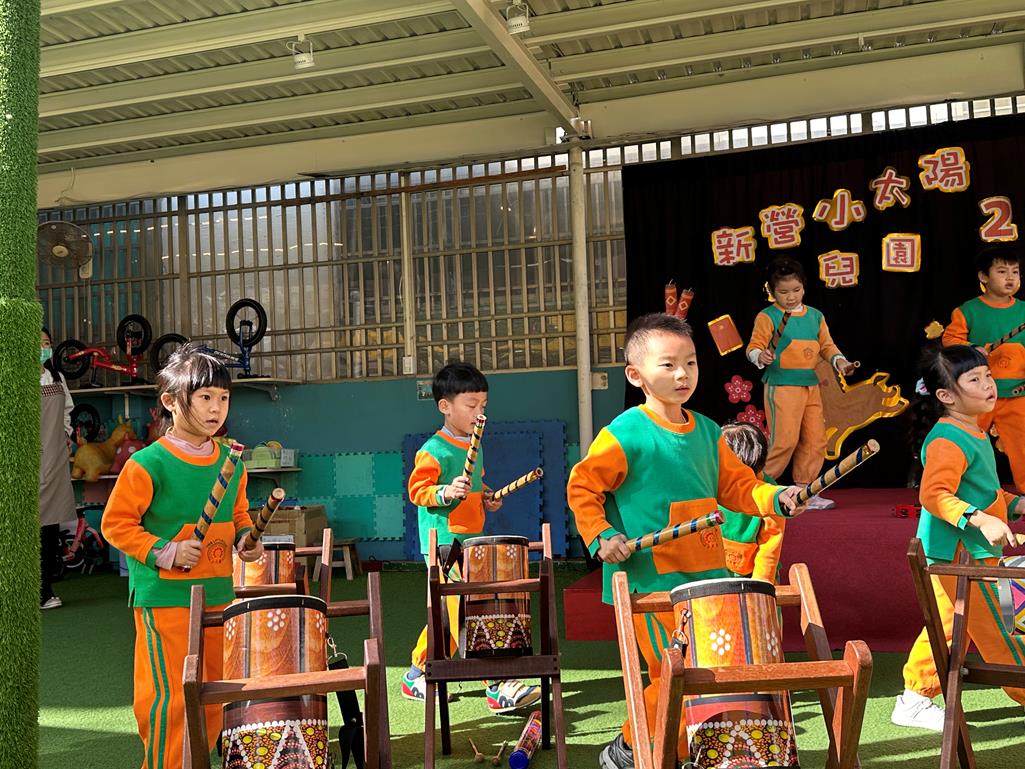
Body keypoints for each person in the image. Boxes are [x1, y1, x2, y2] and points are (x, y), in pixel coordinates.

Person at [567, 313, 802, 769]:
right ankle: (633, 748)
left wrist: (778, 497)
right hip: (650, 582)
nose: (683, 374)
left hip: (708, 578)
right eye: (668, 365)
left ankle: (668, 751)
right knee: (672, 672)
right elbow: (582, 487)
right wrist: (602, 535)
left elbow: (740, 488)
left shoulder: (709, 432)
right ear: (635, 375)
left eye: (690, 363)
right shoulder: (624, 433)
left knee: (707, 671)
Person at [101, 344, 263, 769]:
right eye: (205, 397)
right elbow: (116, 524)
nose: (216, 408)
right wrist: (165, 551)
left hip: (218, 595)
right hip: (165, 599)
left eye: (223, 398)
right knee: (170, 697)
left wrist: (246, 538)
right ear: (171, 402)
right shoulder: (147, 463)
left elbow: (239, 514)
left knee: (215, 695)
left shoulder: (232, 463)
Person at [893, 344, 1025, 732]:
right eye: (975, 379)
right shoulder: (948, 438)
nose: (988, 384)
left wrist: (1014, 505)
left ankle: (914, 698)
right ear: (946, 396)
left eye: (988, 376)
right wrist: (981, 520)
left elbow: (982, 491)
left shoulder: (972, 431)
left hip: (964, 553)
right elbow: (933, 495)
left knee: (950, 625)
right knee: (996, 631)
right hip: (959, 555)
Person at [401, 361, 540, 714]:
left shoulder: (474, 444)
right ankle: (497, 683)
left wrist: (486, 496)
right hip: (444, 543)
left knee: (448, 614)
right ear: (445, 406)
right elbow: (418, 491)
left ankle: (417, 673)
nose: (480, 413)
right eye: (471, 405)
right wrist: (446, 491)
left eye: (483, 405)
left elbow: (474, 485)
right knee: (470, 608)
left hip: (471, 539)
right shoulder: (434, 449)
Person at [746, 256, 856, 509]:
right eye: (783, 292)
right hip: (782, 385)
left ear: (804, 287)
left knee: (815, 439)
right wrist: (759, 356)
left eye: (796, 290)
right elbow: (753, 347)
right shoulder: (767, 316)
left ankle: (806, 491)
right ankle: (756, 490)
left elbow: (827, 346)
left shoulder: (815, 316)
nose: (791, 297)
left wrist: (840, 361)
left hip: (810, 385)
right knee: (784, 441)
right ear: (771, 291)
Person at [943, 246, 1025, 493]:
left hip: (1017, 394)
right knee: (966, 441)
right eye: (1002, 271)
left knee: (1023, 445)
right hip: (976, 396)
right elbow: (950, 339)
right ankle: (958, 491)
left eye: (1015, 272)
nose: (1010, 278)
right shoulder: (967, 311)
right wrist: (972, 348)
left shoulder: (1023, 310)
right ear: (983, 276)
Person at [718, 421, 787, 582]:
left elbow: (769, 546)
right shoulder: (712, 480)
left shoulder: (770, 493)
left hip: (750, 571)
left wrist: (761, 585)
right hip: (713, 565)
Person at [39, 328, 75, 609]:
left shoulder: (56, 377)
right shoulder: (16, 378)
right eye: (39, 344)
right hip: (29, 457)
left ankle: (45, 589)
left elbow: (66, 411)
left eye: (47, 343)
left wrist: (65, 434)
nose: (44, 348)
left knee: (50, 525)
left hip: (54, 455)